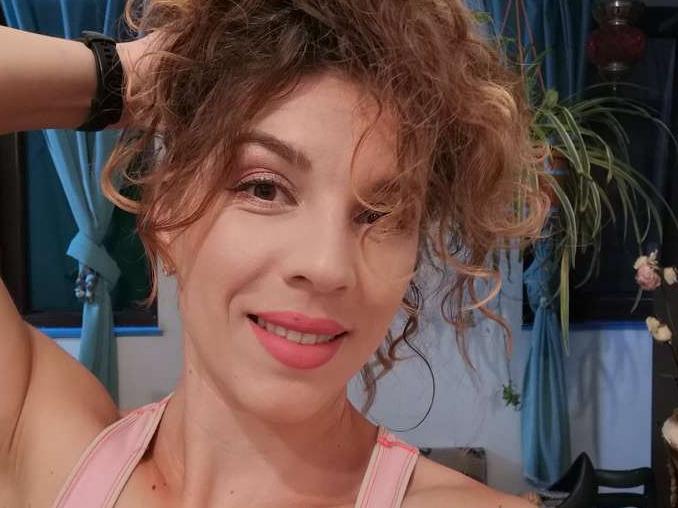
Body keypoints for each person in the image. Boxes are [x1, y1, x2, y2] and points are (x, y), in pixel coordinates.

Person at [0, 1, 546, 506]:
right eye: (264, 188)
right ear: (166, 212)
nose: (328, 267)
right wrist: (126, 77)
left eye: (381, 214)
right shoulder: (34, 441)